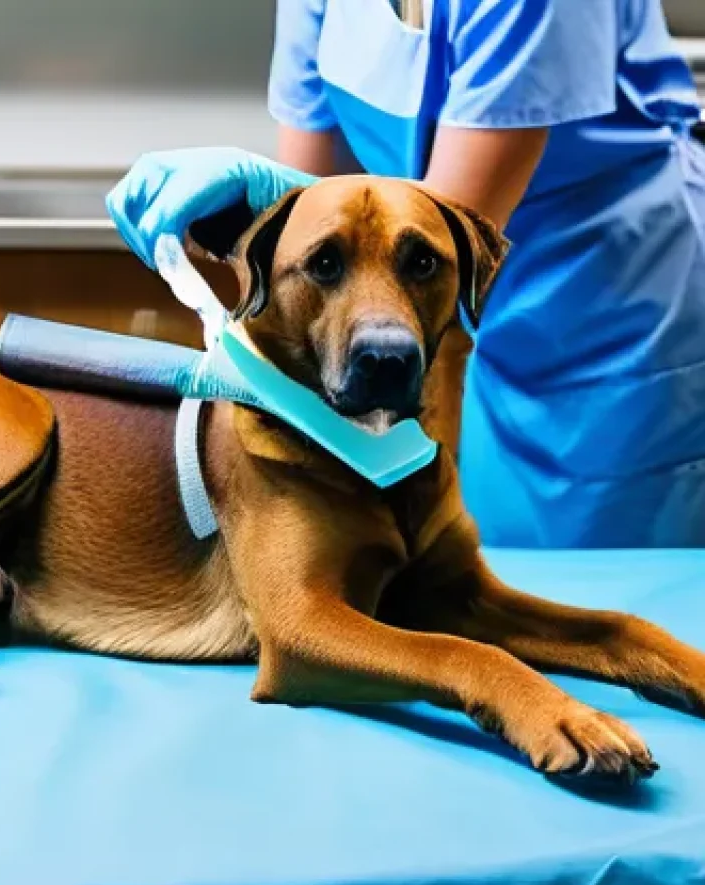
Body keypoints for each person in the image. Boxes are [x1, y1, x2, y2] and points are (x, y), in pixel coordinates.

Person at [107, 0, 705, 549]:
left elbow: (447, 233)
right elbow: (315, 235)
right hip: (497, 339)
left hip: (624, 331)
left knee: (621, 611)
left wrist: (269, 199)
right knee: (516, 582)